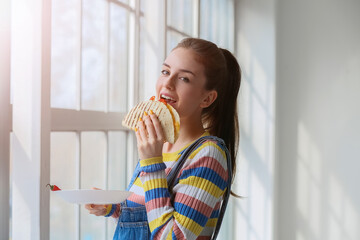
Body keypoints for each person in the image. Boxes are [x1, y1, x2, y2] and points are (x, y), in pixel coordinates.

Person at [85, 37, 241, 240]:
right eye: (166, 72)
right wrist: (111, 207)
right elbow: (150, 215)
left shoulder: (208, 154)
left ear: (207, 98)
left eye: (184, 78)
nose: (167, 83)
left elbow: (171, 236)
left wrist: (151, 163)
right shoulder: (161, 144)